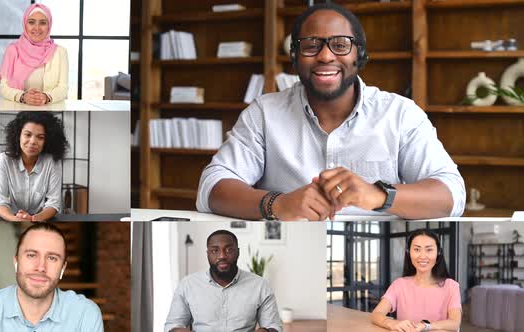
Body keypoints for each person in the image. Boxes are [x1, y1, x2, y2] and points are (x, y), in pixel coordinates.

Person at [196, 3, 465, 221]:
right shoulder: (264, 113)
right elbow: (212, 187)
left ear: (359, 55)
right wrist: (276, 204)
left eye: (340, 44)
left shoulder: (400, 114)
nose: (325, 56)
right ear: (294, 56)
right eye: (311, 45)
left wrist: (379, 196)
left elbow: (451, 194)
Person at [0, 223, 103, 331]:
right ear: (16, 262)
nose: (41, 267)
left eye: (52, 258)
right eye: (31, 255)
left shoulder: (85, 314)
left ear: (63, 268)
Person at [164, 230, 282, 332]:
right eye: (215, 250)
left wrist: (266, 330)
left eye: (229, 250)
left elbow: (274, 325)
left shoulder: (260, 285)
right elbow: (173, 324)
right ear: (208, 254)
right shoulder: (187, 285)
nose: (222, 256)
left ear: (238, 252)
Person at [370, 229, 461, 332]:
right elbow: (376, 314)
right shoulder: (399, 284)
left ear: (438, 252)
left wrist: (425, 325)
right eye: (417, 250)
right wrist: (392, 323)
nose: (422, 256)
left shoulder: (451, 286)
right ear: (409, 252)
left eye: (429, 250)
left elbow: (455, 323)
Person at [0, 112, 68, 221]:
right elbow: (0, 202)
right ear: (18, 135)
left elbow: (54, 204)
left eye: (40, 137)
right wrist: (16, 220)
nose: (33, 141)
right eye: (27, 135)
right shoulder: (3, 160)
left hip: (42, 221)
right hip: (11, 221)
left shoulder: (52, 162)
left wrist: (33, 219)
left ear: (47, 141)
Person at [0, 3, 69, 105]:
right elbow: (3, 87)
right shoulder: (12, 50)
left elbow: (63, 87)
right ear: (25, 24)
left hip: (49, 110)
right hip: (18, 109)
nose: (37, 28)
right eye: (31, 22)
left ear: (49, 26)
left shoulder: (60, 52)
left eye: (43, 23)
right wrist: (23, 97)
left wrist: (46, 97)